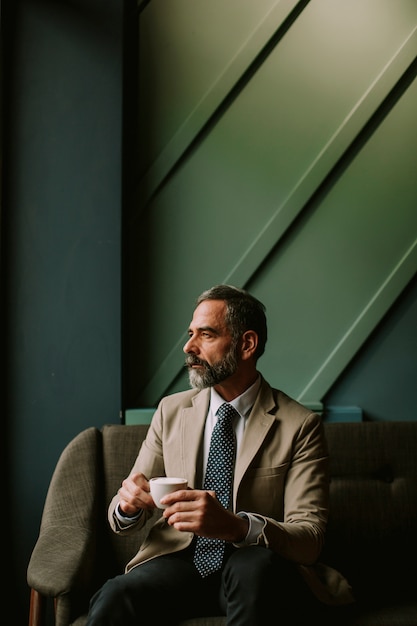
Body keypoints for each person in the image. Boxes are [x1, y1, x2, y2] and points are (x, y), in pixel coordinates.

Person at [86, 284, 353, 625]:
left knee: (254, 568)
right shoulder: (171, 410)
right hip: (178, 560)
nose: (188, 347)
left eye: (206, 335)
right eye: (190, 334)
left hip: (252, 566)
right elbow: (122, 517)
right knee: (115, 595)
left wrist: (236, 527)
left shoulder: (300, 425)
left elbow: (310, 540)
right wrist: (128, 505)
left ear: (247, 344)